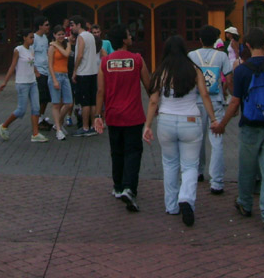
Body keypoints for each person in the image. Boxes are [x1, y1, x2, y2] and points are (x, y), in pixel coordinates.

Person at [215, 27, 264, 233]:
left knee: (246, 168)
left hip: (249, 125)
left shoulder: (242, 71)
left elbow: (235, 102)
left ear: (247, 45)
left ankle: (245, 204)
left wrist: (222, 124)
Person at [143, 35, 219, 227]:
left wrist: (147, 125)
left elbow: (153, 100)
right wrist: (213, 119)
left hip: (166, 121)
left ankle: (171, 205)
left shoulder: (161, 71)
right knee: (190, 165)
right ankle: (186, 198)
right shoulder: (194, 70)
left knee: (169, 164)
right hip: (191, 120)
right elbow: (205, 95)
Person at [94, 24, 151, 212]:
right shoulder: (137, 60)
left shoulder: (105, 62)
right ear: (124, 40)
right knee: (133, 152)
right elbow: (148, 85)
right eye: (129, 34)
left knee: (117, 151)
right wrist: (155, 104)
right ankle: (129, 187)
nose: (131, 37)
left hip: (113, 115)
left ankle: (118, 186)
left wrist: (98, 115)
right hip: (133, 115)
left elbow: (100, 91)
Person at [189, 25, 233, 196]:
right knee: (217, 141)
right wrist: (232, 96)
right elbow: (229, 78)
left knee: (197, 139)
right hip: (216, 102)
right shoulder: (222, 56)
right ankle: (217, 181)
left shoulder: (192, 55)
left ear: (200, 39)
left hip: (197, 101)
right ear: (215, 40)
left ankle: (198, 171)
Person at [0, 29, 48, 143]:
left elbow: (32, 63)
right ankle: (4, 126)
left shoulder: (32, 49)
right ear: (24, 38)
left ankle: (35, 134)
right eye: (30, 37)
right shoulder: (18, 50)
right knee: (21, 110)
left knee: (36, 108)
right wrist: (5, 82)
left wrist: (36, 72)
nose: (32, 39)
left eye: (33, 37)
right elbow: (12, 66)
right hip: (22, 83)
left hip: (32, 82)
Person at [71, 15, 100, 137]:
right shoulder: (91, 36)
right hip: (93, 71)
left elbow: (80, 55)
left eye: (72, 25)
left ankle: (85, 127)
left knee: (85, 102)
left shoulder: (81, 37)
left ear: (79, 25)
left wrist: (75, 70)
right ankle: (93, 126)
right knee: (92, 101)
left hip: (83, 72)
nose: (71, 28)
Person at [48, 25, 74, 141]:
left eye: (62, 34)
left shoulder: (66, 44)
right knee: (56, 104)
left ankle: (57, 123)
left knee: (69, 103)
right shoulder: (51, 48)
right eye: (58, 34)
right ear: (54, 35)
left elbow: (66, 54)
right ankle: (58, 129)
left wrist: (56, 44)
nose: (61, 36)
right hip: (56, 75)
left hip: (65, 75)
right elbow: (50, 65)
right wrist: (54, 79)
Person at [32, 16, 54, 130]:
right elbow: (30, 55)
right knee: (41, 97)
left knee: (46, 97)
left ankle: (41, 117)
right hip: (39, 71)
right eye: (46, 25)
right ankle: (37, 120)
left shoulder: (45, 38)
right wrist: (35, 71)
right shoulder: (34, 38)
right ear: (40, 26)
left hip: (46, 70)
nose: (48, 27)